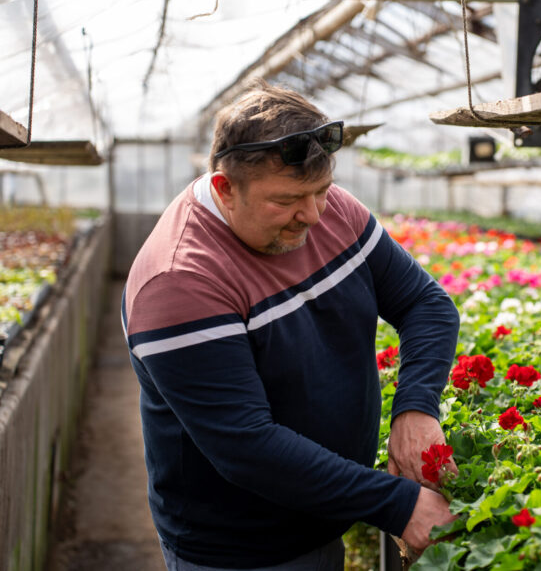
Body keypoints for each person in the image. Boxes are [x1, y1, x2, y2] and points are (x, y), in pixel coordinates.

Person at [123, 80, 459, 570]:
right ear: (225, 188)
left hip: (323, 516)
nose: (313, 214)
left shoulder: (332, 211)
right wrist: (398, 503)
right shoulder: (179, 281)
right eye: (285, 200)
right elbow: (247, 446)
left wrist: (416, 408)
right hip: (241, 551)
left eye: (321, 190)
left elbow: (425, 303)